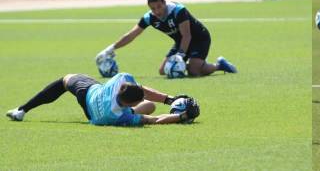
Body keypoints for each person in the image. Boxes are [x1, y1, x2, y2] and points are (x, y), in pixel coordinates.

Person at [95, 0, 237, 77]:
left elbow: (187, 35)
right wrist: (111, 48)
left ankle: (219, 65)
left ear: (164, 2)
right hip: (181, 41)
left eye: (159, 6)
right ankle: (194, 64)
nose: (157, 11)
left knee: (194, 71)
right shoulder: (149, 18)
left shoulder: (178, 10)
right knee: (164, 71)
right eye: (153, 8)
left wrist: (180, 56)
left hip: (199, 38)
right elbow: (132, 35)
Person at [6, 72, 199, 126]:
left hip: (88, 92)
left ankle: (21, 110)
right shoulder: (118, 117)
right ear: (131, 104)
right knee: (149, 107)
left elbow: (139, 91)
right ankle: (167, 103)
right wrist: (181, 116)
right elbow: (153, 120)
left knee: (65, 80)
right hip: (95, 115)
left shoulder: (120, 79)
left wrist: (169, 101)